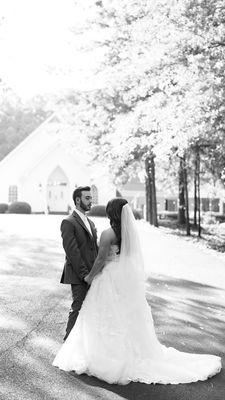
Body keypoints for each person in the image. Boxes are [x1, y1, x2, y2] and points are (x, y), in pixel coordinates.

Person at [53, 198, 221, 384]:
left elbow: (100, 260)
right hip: (123, 277)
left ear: (111, 213)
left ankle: (104, 354)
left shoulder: (108, 234)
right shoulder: (129, 233)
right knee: (125, 315)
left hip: (108, 276)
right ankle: (131, 352)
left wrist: (90, 277)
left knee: (105, 315)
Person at [60, 186, 98, 341]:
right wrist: (85, 275)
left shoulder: (90, 222)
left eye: (91, 198)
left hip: (93, 273)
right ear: (77, 200)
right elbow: (72, 252)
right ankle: (68, 344)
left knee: (90, 308)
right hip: (79, 274)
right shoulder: (68, 222)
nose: (91, 201)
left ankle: (84, 342)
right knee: (77, 308)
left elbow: (94, 249)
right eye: (87, 198)